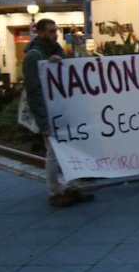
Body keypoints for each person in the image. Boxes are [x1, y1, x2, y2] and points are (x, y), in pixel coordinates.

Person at [23, 19, 95, 207]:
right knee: (54, 153)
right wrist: (43, 122)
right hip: (48, 112)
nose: (55, 34)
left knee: (73, 147)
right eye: (51, 31)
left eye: (56, 30)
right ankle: (55, 192)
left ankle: (72, 187)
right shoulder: (33, 56)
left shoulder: (56, 50)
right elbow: (34, 90)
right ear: (39, 32)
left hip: (63, 109)